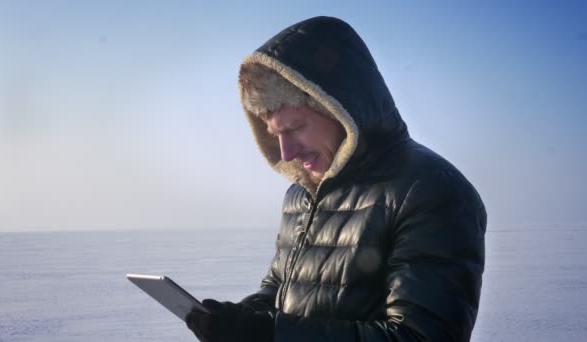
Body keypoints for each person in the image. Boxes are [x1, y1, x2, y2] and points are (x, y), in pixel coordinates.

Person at [185, 16, 486, 342]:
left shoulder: (429, 189)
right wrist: (236, 320)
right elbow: (280, 288)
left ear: (339, 109)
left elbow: (419, 337)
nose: (285, 153)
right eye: (275, 134)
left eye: (296, 128)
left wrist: (268, 335)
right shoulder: (302, 195)